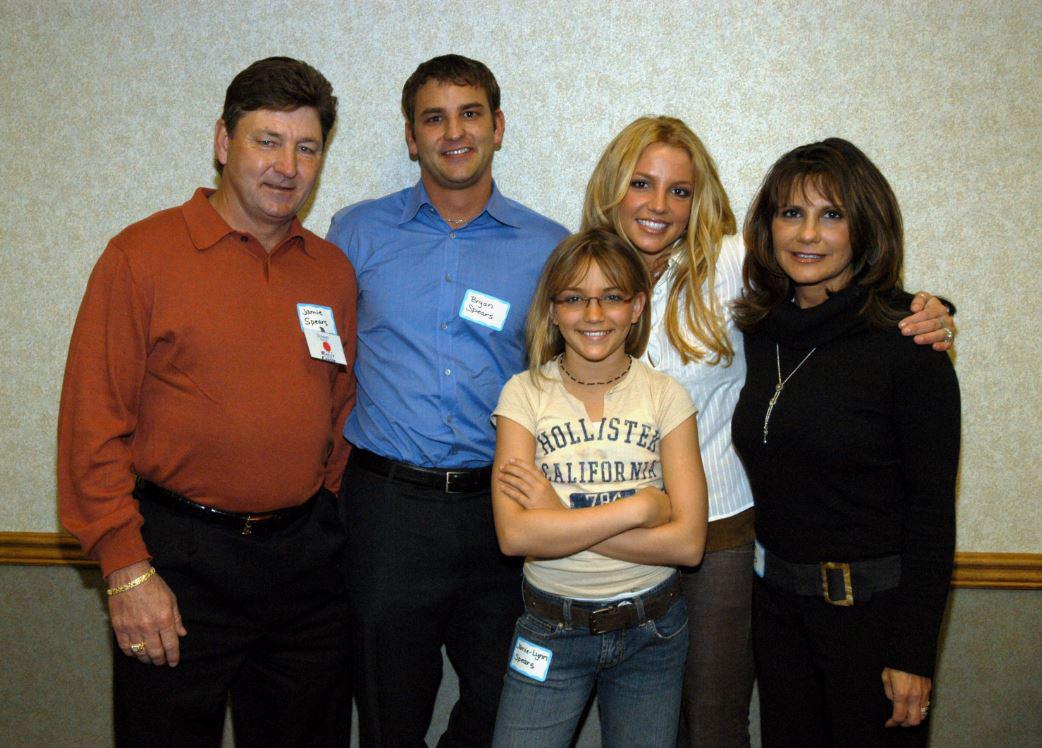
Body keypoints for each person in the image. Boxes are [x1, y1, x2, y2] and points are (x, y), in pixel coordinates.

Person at [580, 116, 958, 746]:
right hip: (631, 536)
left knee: (714, 722)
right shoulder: (581, 273)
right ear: (611, 188)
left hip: (733, 537)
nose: (659, 205)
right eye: (641, 183)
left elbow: (928, 504)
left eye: (680, 190)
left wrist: (930, 310)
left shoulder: (731, 269)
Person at [56, 57, 356, 745]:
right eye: (267, 141)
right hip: (177, 564)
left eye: (307, 147)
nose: (287, 165)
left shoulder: (331, 271)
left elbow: (342, 405)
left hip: (306, 567)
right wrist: (126, 569)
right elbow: (92, 424)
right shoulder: (141, 256)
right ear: (224, 141)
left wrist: (330, 518)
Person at [325, 54, 568, 747]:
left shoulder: (548, 247)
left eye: (469, 114)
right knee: (387, 706)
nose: (453, 132)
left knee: (507, 698)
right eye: (434, 117)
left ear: (498, 126)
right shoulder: (356, 233)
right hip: (387, 510)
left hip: (501, 507)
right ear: (411, 136)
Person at [731, 137, 960, 747]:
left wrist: (914, 652)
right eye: (791, 213)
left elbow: (933, 511)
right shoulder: (759, 331)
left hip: (874, 622)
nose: (808, 234)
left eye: (831, 214)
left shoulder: (909, 342)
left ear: (865, 226)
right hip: (777, 615)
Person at [490, 227, 707, 747]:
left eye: (611, 297)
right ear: (553, 309)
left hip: (652, 631)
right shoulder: (523, 395)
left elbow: (688, 544)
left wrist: (557, 514)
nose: (593, 315)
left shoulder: (666, 397)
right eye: (574, 299)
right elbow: (515, 537)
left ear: (636, 306)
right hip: (550, 630)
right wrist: (641, 508)